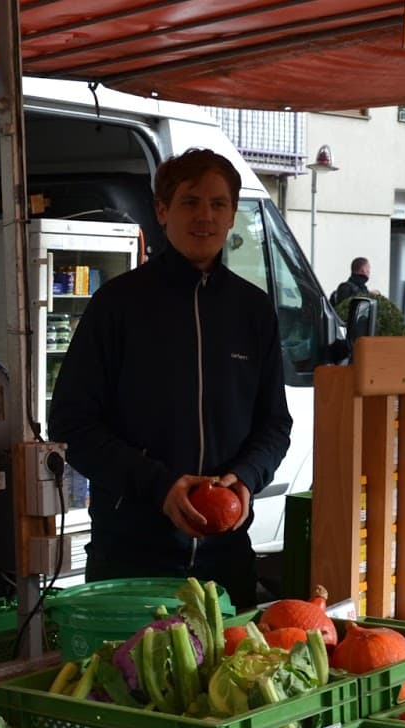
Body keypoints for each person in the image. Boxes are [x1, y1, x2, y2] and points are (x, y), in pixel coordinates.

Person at [48, 148, 294, 614]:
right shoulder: (118, 306)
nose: (205, 216)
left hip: (226, 562)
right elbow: (71, 425)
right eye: (190, 202)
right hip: (132, 558)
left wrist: (244, 479)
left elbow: (274, 426)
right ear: (163, 211)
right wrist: (159, 486)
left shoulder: (253, 311)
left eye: (218, 204)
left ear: (231, 216)